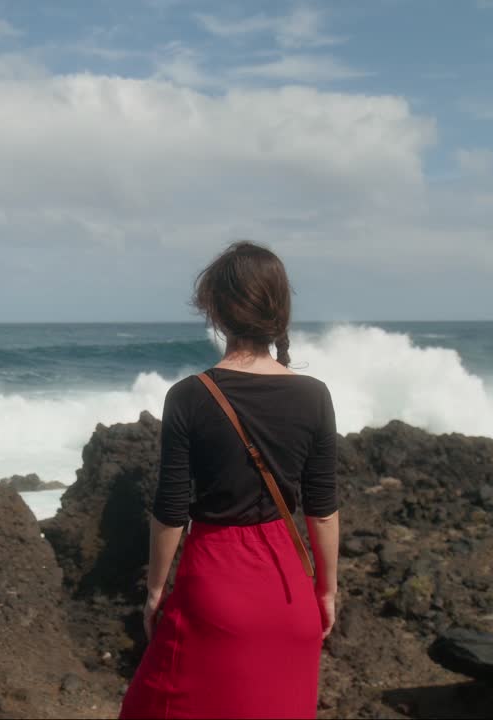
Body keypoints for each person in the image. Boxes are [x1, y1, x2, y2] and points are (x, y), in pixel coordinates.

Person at [118, 241, 340, 719]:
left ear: (215, 309)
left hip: (216, 588)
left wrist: (156, 591)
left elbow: (171, 509)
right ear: (279, 310)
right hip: (290, 596)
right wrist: (326, 590)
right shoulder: (315, 396)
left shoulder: (189, 397)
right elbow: (322, 509)